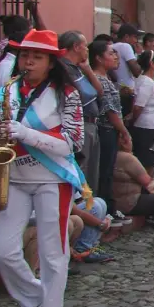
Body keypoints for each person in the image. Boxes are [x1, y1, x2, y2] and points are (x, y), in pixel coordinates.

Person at [0, 29, 85, 307]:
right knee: (0, 248)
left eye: (37, 57)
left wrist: (26, 132)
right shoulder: (6, 93)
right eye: (25, 55)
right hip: (13, 178)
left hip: (53, 177)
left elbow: (71, 144)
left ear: (51, 62)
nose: (29, 61)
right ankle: (33, 298)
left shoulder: (67, 94)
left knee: (53, 254)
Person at [0, 187, 83, 276]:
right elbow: (33, 219)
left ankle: (54, 266)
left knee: (74, 222)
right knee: (40, 232)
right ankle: (34, 277)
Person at [89, 39, 133, 222]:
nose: (116, 57)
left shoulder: (106, 79)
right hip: (106, 130)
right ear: (99, 58)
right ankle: (105, 208)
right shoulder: (100, 81)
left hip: (109, 131)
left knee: (108, 170)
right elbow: (111, 111)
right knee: (104, 171)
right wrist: (124, 131)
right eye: (111, 53)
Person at [57, 32, 102, 195]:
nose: (87, 49)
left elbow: (98, 92)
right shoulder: (63, 68)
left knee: (91, 170)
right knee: (82, 168)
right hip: (80, 123)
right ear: (76, 47)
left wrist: (88, 69)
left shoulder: (77, 69)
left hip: (91, 123)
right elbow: (84, 94)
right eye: (84, 45)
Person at [130, 49, 154, 171]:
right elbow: (138, 106)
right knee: (148, 165)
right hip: (147, 130)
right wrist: (133, 121)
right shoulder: (147, 82)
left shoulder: (148, 81)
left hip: (153, 127)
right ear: (152, 63)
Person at [110, 24, 141, 90]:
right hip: (126, 91)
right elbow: (137, 72)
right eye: (135, 37)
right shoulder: (125, 46)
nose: (136, 41)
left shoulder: (111, 47)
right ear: (126, 37)